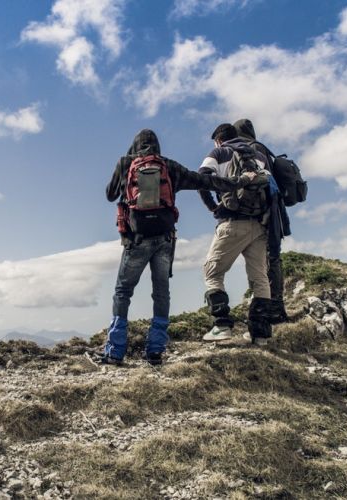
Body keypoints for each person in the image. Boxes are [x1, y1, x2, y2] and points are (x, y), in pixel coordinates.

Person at [102, 129, 245, 365]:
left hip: (136, 240)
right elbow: (204, 180)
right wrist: (238, 183)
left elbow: (110, 195)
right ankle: (155, 351)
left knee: (123, 291)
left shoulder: (126, 163)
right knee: (161, 293)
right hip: (165, 240)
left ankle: (115, 351)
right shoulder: (169, 166)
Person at [198, 123, 274, 345]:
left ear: (219, 140)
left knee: (212, 272)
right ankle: (260, 334)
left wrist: (213, 207)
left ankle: (222, 326)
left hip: (232, 222)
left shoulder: (218, 152)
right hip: (260, 224)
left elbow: (202, 178)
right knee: (259, 277)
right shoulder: (259, 155)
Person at [233, 119, 291, 324]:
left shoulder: (249, 150)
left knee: (265, 260)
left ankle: (269, 308)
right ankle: (275, 307)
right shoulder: (262, 148)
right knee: (272, 258)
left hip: (263, 214)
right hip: (274, 211)